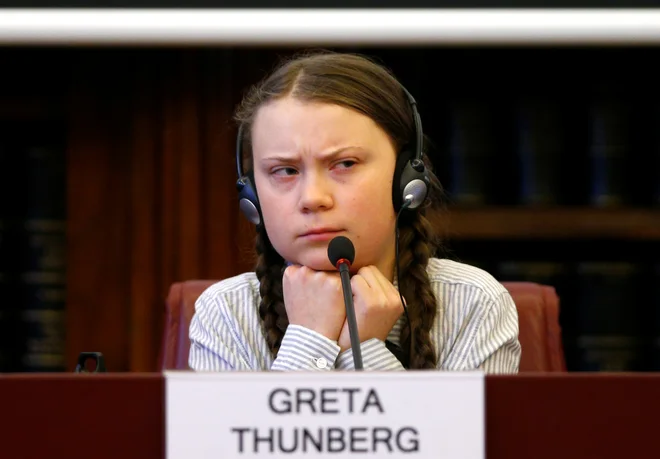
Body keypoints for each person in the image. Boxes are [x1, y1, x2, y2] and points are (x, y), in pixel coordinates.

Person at [188, 49, 521, 373]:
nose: (313, 198)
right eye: (285, 171)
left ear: (406, 178)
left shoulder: (473, 304)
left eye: (344, 164)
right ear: (252, 196)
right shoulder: (226, 315)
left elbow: (445, 433)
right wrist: (310, 339)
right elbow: (255, 433)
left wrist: (366, 348)